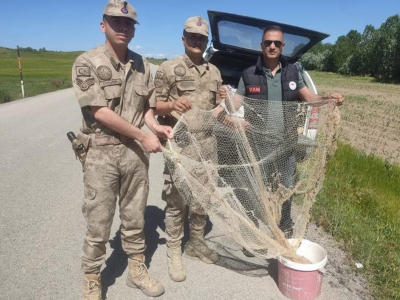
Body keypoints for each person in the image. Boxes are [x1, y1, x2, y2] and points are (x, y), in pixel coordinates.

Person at [71, 1, 173, 299]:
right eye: (116, 22)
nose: (123, 27)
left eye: (128, 24)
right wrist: (143, 136)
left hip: (135, 158)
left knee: (135, 217)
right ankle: (92, 276)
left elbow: (147, 111)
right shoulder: (86, 62)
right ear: (103, 25)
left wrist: (157, 128)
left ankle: (137, 268)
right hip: (101, 154)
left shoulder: (144, 65)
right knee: (99, 221)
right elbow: (99, 111)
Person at [235, 25, 343, 256]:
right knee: (259, 191)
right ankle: (255, 235)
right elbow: (233, 104)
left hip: (287, 145)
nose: (272, 46)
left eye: (276, 43)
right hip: (259, 145)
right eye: (267, 43)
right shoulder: (247, 74)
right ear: (261, 45)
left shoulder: (294, 72)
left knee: (286, 189)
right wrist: (221, 105)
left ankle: (285, 230)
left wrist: (326, 98)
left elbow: (310, 98)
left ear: (283, 46)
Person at [154, 16, 226, 282]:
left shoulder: (214, 72)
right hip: (180, 146)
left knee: (202, 199)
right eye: (192, 36)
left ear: (206, 42)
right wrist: (172, 105)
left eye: (202, 38)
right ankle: (174, 249)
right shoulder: (168, 68)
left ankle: (195, 243)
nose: (197, 41)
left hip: (208, 145)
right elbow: (153, 107)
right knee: (177, 201)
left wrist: (225, 102)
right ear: (183, 39)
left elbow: (217, 111)